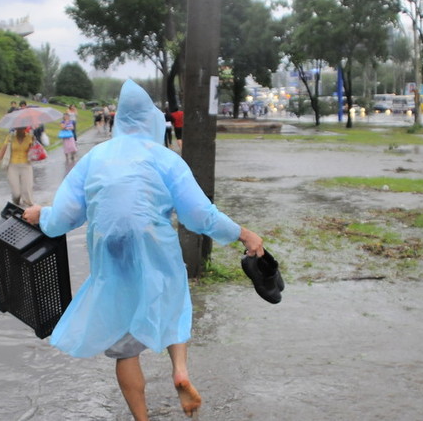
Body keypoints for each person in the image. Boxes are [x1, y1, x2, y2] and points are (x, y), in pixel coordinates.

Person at [22, 80, 264, 420]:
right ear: (151, 120)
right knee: (173, 297)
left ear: (119, 120)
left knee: (124, 344)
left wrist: (40, 215)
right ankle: (179, 370)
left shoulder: (94, 159)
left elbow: (64, 217)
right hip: (155, 243)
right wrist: (244, 234)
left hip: (110, 250)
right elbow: (199, 215)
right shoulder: (165, 159)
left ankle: (141, 418)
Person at [0, 127, 36, 207]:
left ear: (25, 128)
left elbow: (35, 151)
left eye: (22, 128)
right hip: (13, 167)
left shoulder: (30, 137)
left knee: (26, 192)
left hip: (26, 166)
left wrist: (33, 144)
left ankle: (29, 211)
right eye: (18, 128)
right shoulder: (10, 137)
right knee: (16, 194)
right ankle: (17, 206)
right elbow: (2, 151)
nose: (20, 130)